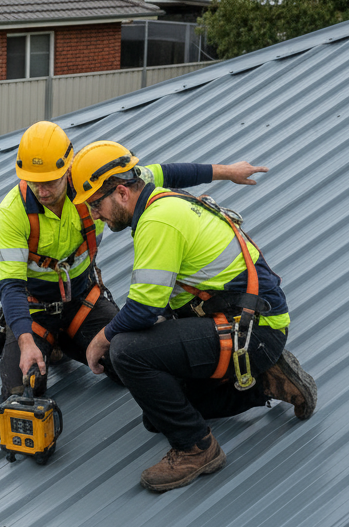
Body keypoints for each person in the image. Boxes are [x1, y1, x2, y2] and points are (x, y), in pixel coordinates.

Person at [70, 140, 317, 493]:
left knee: (124, 351)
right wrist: (226, 171)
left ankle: (197, 449)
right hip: (247, 320)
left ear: (122, 192)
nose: (94, 214)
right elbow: (174, 171)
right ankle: (267, 382)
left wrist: (99, 340)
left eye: (95, 204)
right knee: (159, 414)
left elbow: (143, 310)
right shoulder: (146, 186)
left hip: (253, 329)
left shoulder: (158, 222)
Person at [0, 121, 271, 399]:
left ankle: (62, 341)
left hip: (82, 303)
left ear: (68, 168)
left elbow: (167, 173)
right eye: (34, 182)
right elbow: (11, 286)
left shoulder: (97, 184)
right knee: (22, 394)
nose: (42, 191)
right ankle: (46, 340)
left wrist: (228, 172)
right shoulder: (13, 213)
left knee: (129, 362)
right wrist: (26, 340)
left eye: (50, 182)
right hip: (35, 312)